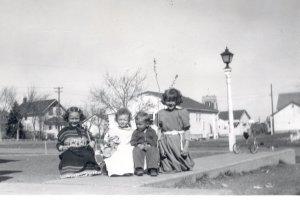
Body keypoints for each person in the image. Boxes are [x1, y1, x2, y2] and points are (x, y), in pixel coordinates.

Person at [155, 88, 195, 173]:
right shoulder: (161, 113)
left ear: (177, 101)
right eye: (168, 100)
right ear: (164, 101)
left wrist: (186, 147)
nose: (170, 103)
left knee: (182, 164)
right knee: (167, 165)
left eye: (173, 100)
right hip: (165, 142)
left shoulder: (182, 112)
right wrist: (159, 144)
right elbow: (159, 130)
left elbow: (187, 130)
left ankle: (180, 165)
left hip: (178, 141)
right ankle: (169, 166)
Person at [56, 107, 102, 179]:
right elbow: (59, 143)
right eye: (72, 118)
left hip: (83, 150)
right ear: (67, 118)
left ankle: (87, 171)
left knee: (88, 154)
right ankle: (70, 171)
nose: (74, 121)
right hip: (71, 151)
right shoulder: (64, 131)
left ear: (80, 118)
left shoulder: (84, 130)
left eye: (76, 118)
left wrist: (92, 142)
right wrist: (61, 147)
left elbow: (91, 138)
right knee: (68, 155)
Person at [103, 108, 134, 177]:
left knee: (128, 154)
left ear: (128, 120)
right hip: (116, 147)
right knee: (115, 155)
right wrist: (110, 141)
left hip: (127, 147)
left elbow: (133, 139)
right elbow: (107, 138)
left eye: (125, 120)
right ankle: (114, 171)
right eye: (120, 120)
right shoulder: (113, 130)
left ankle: (127, 171)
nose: (122, 121)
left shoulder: (131, 130)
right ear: (117, 120)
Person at [130, 111, 159, 177]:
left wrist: (150, 145)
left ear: (147, 124)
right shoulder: (136, 132)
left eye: (140, 124)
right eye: (137, 124)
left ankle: (153, 169)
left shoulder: (152, 131)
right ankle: (139, 168)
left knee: (154, 150)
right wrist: (138, 145)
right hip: (140, 146)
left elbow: (155, 140)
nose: (138, 126)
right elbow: (132, 141)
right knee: (136, 150)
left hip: (149, 146)